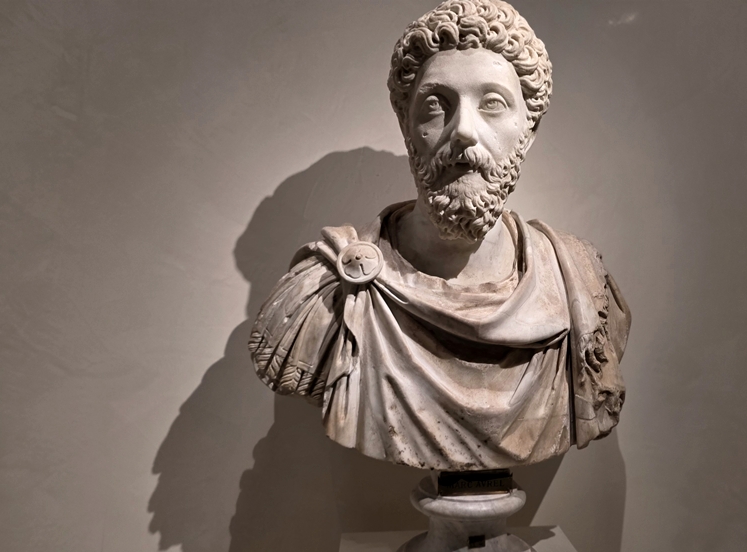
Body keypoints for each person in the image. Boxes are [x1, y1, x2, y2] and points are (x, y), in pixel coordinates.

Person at [249, 0, 630, 471]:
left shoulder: (582, 285)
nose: (464, 131)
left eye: (493, 104)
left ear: (528, 130)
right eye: (435, 105)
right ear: (407, 127)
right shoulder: (328, 292)